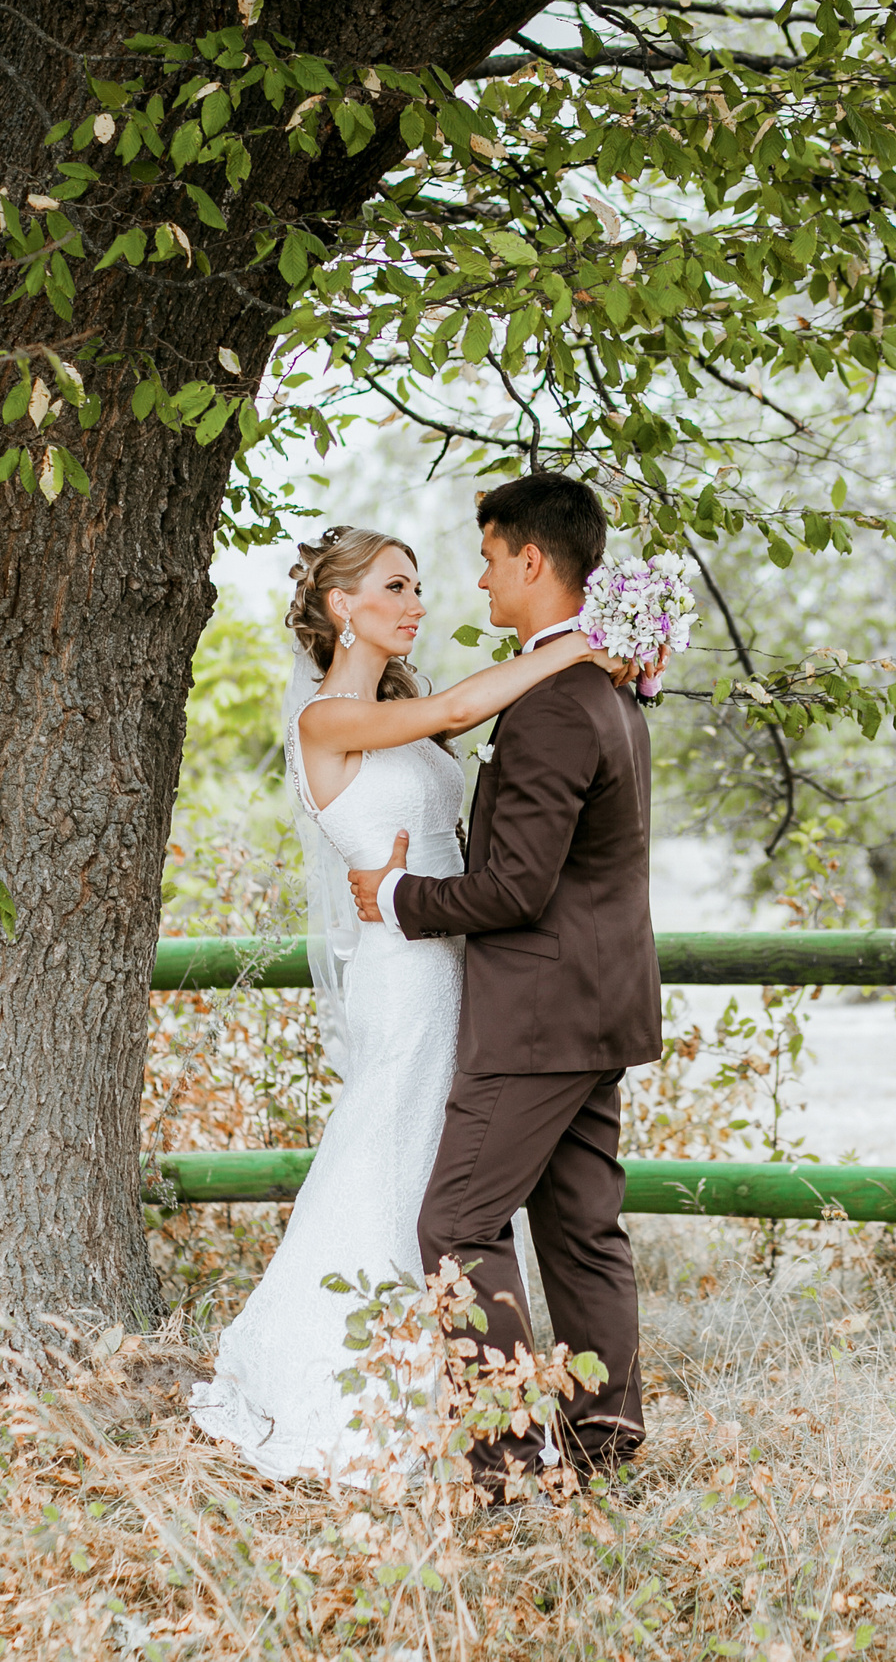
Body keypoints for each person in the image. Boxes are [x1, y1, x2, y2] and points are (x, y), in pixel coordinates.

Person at [188, 515, 633, 1482]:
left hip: (465, 966)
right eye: (393, 586)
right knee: (404, 1175)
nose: (416, 602)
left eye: (420, 585)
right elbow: (464, 710)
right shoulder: (328, 722)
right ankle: (392, 1401)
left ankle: (478, 1405)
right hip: (403, 973)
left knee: (456, 1191)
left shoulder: (412, 701)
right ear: (341, 606)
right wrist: (583, 647)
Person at [349, 470, 661, 1493]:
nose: (479, 584)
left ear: (532, 560)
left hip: (535, 1016)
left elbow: (516, 888)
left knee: (457, 1224)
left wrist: (398, 897)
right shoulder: (603, 686)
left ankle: (509, 1463)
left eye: (488, 561)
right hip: (599, 1005)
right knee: (581, 1233)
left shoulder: (555, 706)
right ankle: (603, 1451)